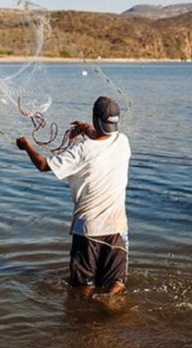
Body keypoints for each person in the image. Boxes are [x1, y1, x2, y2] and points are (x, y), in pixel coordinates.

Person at [16, 96, 131, 295]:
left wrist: (26, 146)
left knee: (83, 286)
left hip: (88, 229)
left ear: (95, 119)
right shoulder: (123, 141)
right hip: (117, 229)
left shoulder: (82, 150)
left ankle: (83, 321)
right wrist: (88, 130)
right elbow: (103, 138)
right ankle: (112, 313)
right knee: (116, 283)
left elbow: (44, 165)